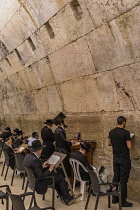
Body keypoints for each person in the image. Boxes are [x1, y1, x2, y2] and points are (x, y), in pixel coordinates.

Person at [24, 140, 73, 204]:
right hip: (39, 183)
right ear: (38, 150)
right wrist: (50, 169)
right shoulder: (35, 160)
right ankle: (67, 197)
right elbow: (41, 176)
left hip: (33, 180)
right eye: (41, 149)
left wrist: (42, 166)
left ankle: (63, 196)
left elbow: (35, 169)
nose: (42, 151)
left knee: (56, 175)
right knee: (60, 177)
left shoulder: (27, 156)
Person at [108, 116, 133, 207]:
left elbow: (109, 143)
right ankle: (123, 200)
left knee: (116, 178)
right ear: (124, 122)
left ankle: (114, 198)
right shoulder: (126, 133)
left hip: (116, 158)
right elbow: (129, 146)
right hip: (124, 159)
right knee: (123, 180)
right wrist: (130, 140)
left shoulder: (112, 132)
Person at [54, 112, 74, 177]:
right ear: (62, 123)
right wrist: (71, 143)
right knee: (65, 168)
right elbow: (63, 141)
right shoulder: (60, 130)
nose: (67, 123)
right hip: (62, 151)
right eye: (65, 121)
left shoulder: (57, 130)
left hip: (58, 150)